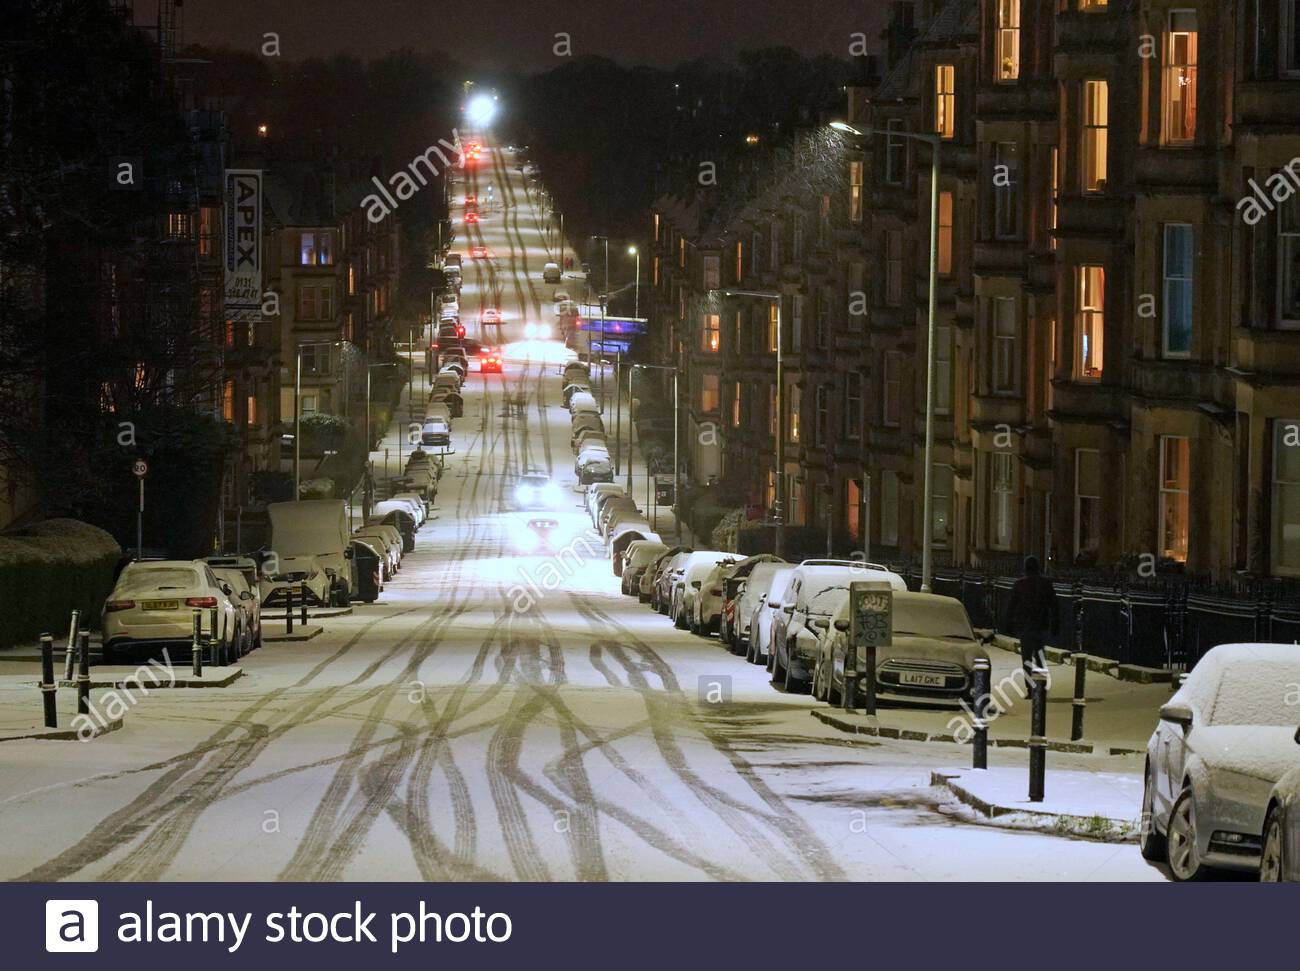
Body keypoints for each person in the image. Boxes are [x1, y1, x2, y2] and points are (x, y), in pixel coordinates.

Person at [1005, 555, 1058, 682]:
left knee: (1027, 658)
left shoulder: (1019, 584)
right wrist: (1055, 623)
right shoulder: (1046, 583)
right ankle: (1040, 686)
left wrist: (1009, 623)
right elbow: (1054, 605)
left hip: (1025, 625)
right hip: (1040, 624)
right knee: (1040, 657)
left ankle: (1030, 687)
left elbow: (1012, 606)